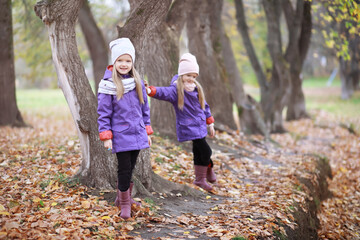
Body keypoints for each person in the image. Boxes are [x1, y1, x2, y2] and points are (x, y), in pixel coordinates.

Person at [97, 38, 153, 219]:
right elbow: (103, 113)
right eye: (120, 60)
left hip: (137, 132)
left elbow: (145, 109)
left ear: (132, 63)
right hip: (120, 134)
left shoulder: (137, 82)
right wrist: (106, 136)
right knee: (124, 169)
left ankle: (123, 198)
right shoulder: (108, 85)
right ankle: (125, 204)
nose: (124, 64)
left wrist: (147, 131)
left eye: (128, 61)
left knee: (133, 167)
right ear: (114, 61)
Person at [146, 53, 216, 191]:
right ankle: (208, 169)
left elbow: (205, 106)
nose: (191, 79)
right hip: (189, 126)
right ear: (182, 74)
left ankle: (200, 179)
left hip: (201, 124)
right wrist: (150, 90)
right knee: (206, 151)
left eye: (194, 76)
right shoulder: (176, 90)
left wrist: (210, 123)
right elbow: (163, 92)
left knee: (199, 151)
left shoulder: (197, 89)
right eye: (188, 75)